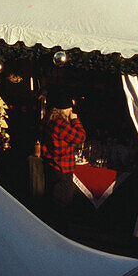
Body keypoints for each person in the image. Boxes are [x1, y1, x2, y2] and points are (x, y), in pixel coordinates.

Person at [40, 93, 85, 235]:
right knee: (63, 204)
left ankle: (50, 231)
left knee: (52, 201)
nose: (71, 111)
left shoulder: (47, 119)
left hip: (50, 164)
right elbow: (80, 137)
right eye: (70, 109)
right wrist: (76, 121)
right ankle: (62, 235)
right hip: (62, 167)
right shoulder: (60, 123)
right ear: (64, 109)